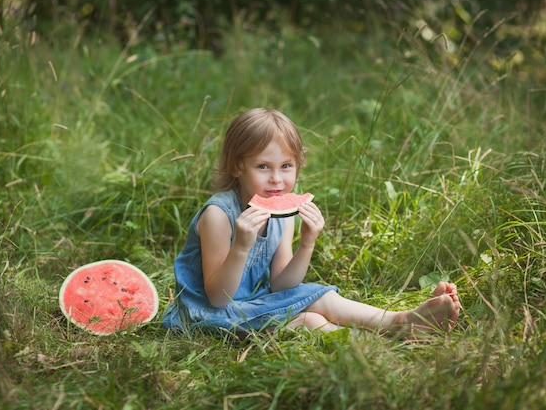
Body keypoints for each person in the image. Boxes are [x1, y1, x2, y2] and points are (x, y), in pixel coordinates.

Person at [162, 108, 460, 337]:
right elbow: (217, 297)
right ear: (239, 166)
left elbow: (282, 285)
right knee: (311, 316)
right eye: (263, 167)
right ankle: (397, 330)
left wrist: (307, 244)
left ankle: (400, 324)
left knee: (317, 307)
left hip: (255, 306)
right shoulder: (218, 215)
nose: (277, 179)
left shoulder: (282, 215)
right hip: (206, 315)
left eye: (286, 166)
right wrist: (241, 247)